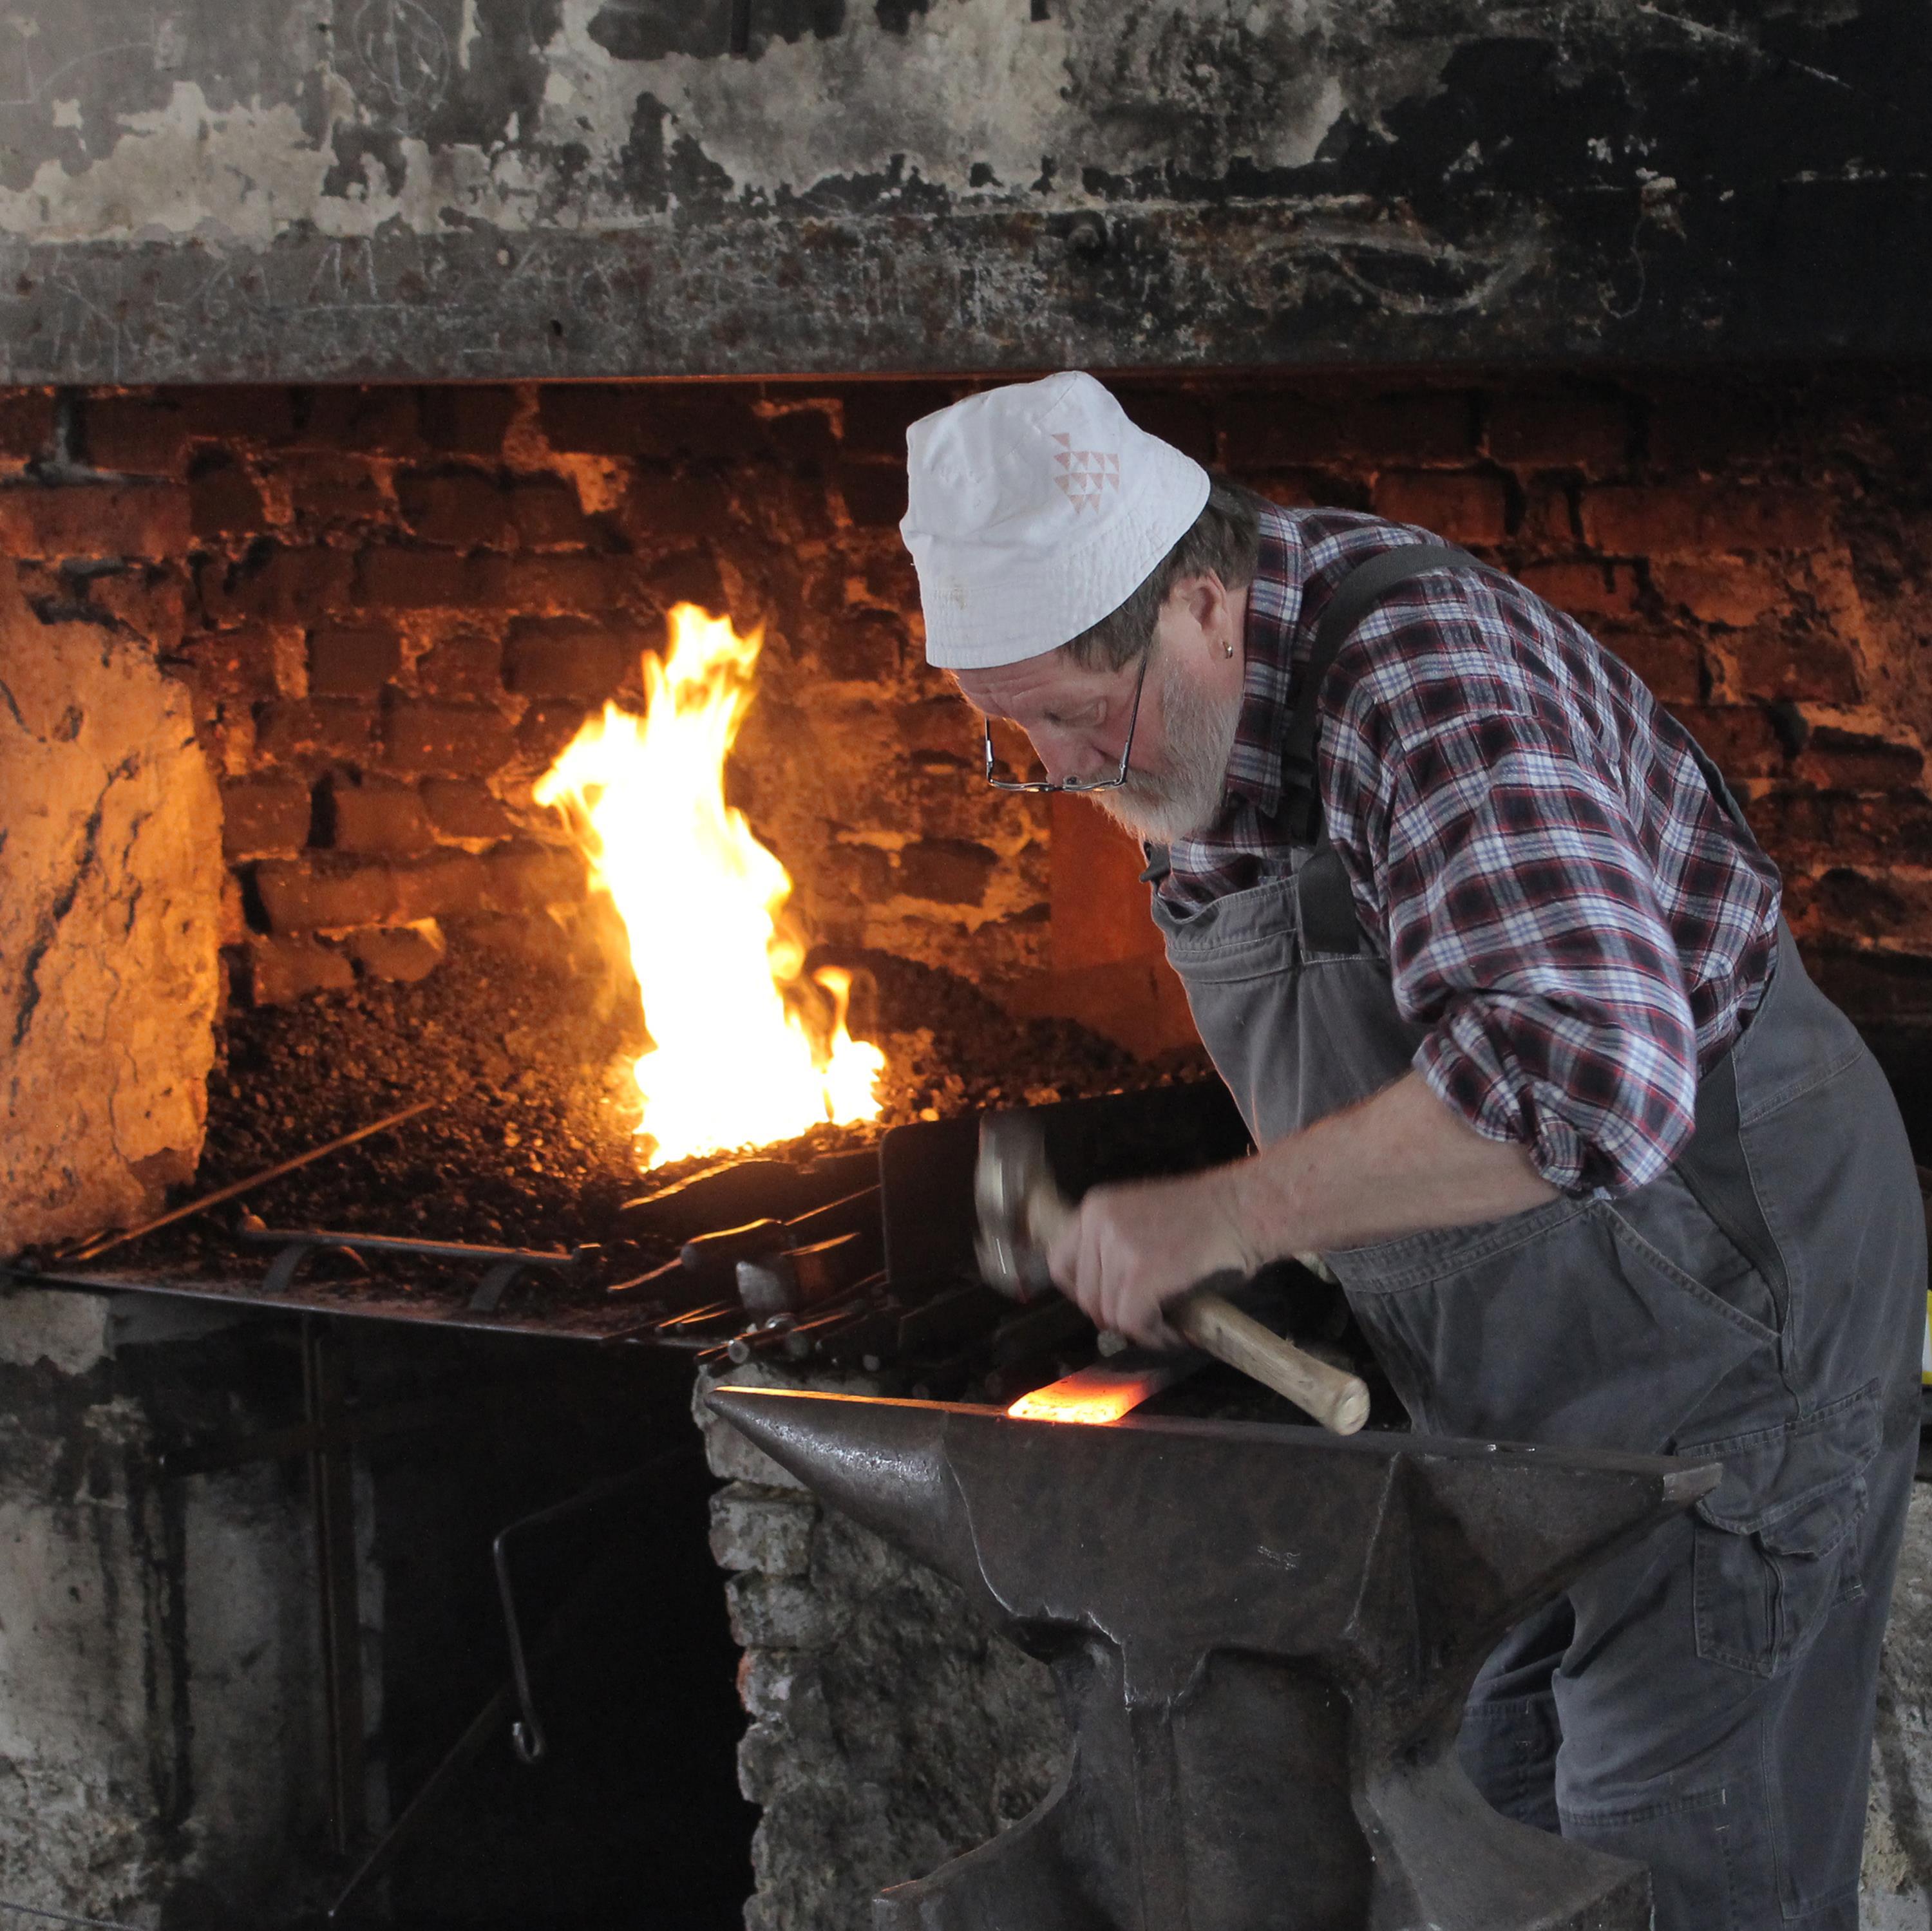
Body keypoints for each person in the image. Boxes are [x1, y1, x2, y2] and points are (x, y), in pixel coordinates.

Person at [897, 369, 1926, 1930]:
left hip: (1730, 1317)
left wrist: (1225, 1215)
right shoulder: (1199, 739)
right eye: (1010, 735)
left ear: (1201, 606)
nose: (1055, 773)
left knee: (1665, 1866)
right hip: (1504, 1389)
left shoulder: (1427, 684)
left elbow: (1585, 1079)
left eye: (1066, 720)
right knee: (1479, 1838)